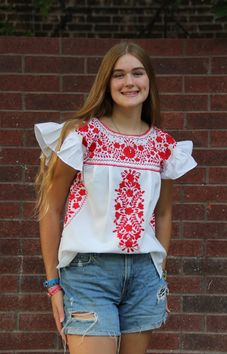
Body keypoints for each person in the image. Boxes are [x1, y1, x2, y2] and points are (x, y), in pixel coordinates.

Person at [34, 42, 197, 354]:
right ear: (106, 84)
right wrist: (53, 284)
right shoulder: (82, 136)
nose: (129, 82)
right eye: (119, 75)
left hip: (143, 276)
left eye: (137, 73)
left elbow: (163, 214)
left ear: (149, 80)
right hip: (87, 273)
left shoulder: (163, 146)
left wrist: (159, 269)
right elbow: (51, 209)